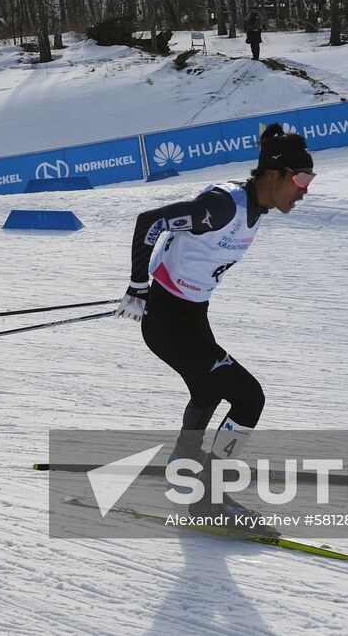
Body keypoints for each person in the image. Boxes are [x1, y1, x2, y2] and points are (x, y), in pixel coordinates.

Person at [115, 124, 315, 524]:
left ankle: (185, 462)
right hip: (168, 322)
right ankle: (207, 500)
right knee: (248, 398)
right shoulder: (224, 206)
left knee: (207, 392)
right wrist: (138, 287)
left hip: (191, 315)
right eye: (301, 179)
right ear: (273, 174)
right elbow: (149, 223)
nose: (305, 190)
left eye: (309, 180)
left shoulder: (254, 209)